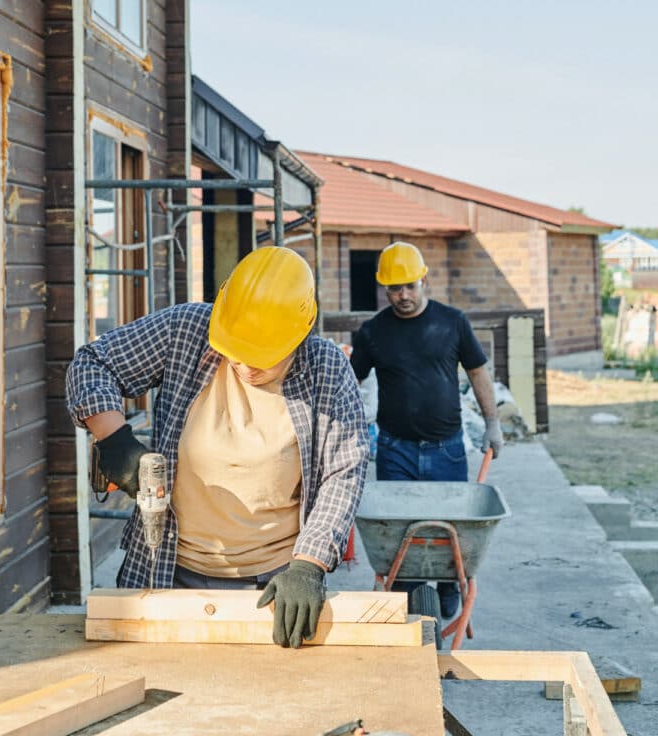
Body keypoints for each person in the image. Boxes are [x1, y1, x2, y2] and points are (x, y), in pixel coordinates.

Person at [66, 245, 369, 649]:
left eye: (262, 357)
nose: (245, 366)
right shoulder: (186, 331)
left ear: (301, 333)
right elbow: (92, 364)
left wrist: (308, 565)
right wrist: (114, 438)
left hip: (274, 583)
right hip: (164, 567)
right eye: (236, 353)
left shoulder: (326, 367)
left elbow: (343, 472)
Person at [350, 241, 503, 618]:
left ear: (423, 280)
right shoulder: (373, 333)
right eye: (394, 289)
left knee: (449, 530)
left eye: (410, 286)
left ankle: (450, 583)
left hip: (446, 449)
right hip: (394, 449)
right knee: (399, 533)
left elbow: (477, 372)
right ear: (385, 289)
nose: (403, 296)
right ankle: (410, 595)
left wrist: (493, 422)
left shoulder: (452, 322)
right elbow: (350, 382)